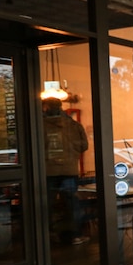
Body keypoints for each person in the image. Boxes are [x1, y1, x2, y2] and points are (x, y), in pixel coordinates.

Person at [42, 97, 89, 246]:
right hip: (69, 170)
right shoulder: (73, 125)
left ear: (46, 107)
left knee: (46, 204)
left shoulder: (40, 126)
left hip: (48, 170)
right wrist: (71, 152)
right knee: (72, 203)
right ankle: (75, 235)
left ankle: (47, 235)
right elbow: (84, 145)